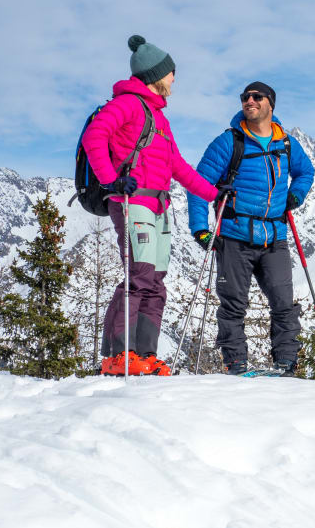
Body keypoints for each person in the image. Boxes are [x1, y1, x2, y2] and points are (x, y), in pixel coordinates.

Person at [82, 35, 224, 376]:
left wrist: (214, 194)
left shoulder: (159, 119)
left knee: (156, 282)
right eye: (171, 73)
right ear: (155, 74)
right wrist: (110, 180)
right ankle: (118, 356)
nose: (175, 79)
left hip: (159, 208)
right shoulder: (127, 104)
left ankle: (144, 354)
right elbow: (94, 138)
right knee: (139, 277)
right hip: (132, 202)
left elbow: (178, 167)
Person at [188, 81, 315, 375]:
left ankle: (286, 364)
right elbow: (197, 186)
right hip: (233, 236)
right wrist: (200, 228)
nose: (250, 101)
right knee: (233, 305)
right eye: (246, 97)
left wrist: (296, 194)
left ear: (271, 103)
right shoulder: (229, 142)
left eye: (257, 97)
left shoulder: (286, 144)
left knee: (284, 304)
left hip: (274, 237)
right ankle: (236, 364)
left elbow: (306, 171)